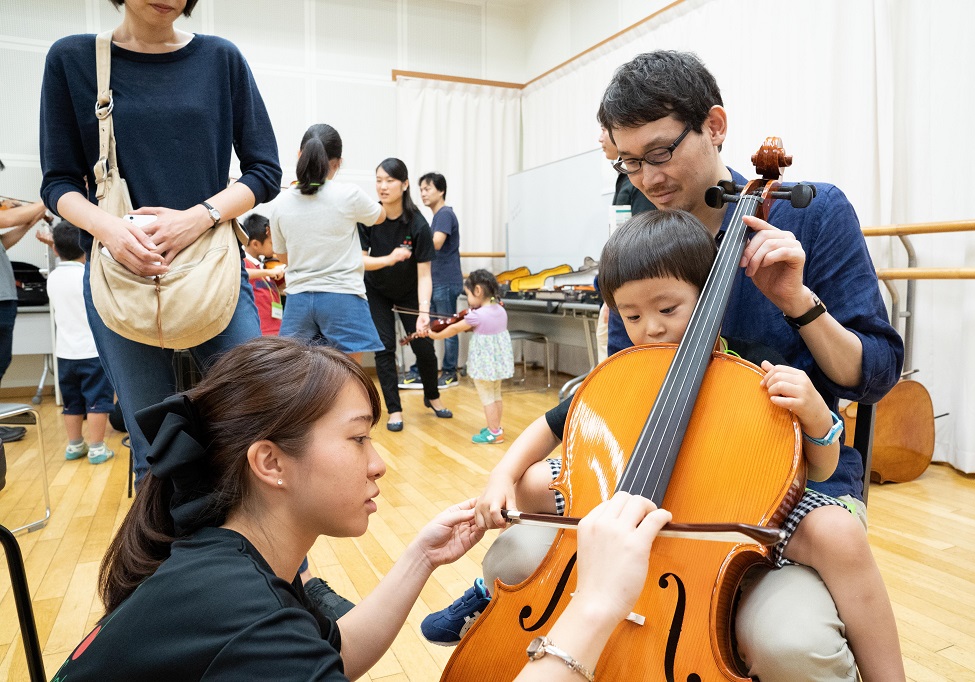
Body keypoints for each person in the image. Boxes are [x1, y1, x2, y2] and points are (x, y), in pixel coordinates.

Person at [422, 211, 905, 681]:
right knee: (529, 483)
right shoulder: (629, 370)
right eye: (632, 315)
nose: (650, 328)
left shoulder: (753, 364)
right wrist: (501, 475)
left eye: (667, 310)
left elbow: (820, 469)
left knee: (837, 532)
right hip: (639, 493)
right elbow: (551, 426)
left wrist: (816, 413)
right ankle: (494, 589)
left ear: (711, 294)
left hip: (739, 505)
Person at [51, 335, 673, 681]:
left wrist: (419, 559)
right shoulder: (248, 621)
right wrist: (593, 608)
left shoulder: (230, 562)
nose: (378, 463)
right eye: (356, 439)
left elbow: (331, 657)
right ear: (269, 462)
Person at [594, 50, 904, 681]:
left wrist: (797, 302)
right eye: (628, 161)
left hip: (799, 487)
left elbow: (874, 375)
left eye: (659, 153)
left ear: (715, 124)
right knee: (520, 554)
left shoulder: (811, 213)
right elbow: (624, 385)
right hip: (672, 482)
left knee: (792, 646)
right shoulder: (642, 243)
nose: (646, 179)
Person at [39, 0, 282, 480]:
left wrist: (199, 217)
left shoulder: (220, 59)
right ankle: (167, 555)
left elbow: (265, 170)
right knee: (155, 446)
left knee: (259, 421)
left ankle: (276, 557)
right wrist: (109, 229)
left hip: (212, 265)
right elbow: (58, 183)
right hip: (118, 270)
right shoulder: (72, 59)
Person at [269, 123, 390, 363]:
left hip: (299, 300)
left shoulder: (281, 203)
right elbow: (380, 216)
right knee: (348, 378)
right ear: (337, 163)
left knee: (296, 379)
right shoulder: (349, 195)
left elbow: (282, 258)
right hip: (343, 297)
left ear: (299, 156)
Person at [360, 158, 450, 432]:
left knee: (424, 346)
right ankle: (394, 409)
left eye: (389, 180)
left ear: (405, 184)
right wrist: (389, 258)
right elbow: (361, 261)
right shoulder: (368, 218)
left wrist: (424, 311)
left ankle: (432, 397)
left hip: (411, 291)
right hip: (377, 291)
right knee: (385, 348)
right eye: (379, 180)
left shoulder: (418, 225)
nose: (382, 187)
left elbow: (425, 273)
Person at [46, 220, 116, 465]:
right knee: (97, 401)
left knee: (72, 402)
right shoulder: (87, 277)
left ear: (55, 250)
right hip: (91, 351)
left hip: (65, 354)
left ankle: (74, 444)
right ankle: (97, 447)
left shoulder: (52, 278)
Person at [427, 270, 514, 444]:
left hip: (484, 365)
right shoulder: (500, 310)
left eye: (468, 294)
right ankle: (496, 427)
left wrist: (435, 335)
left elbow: (453, 329)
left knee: (487, 397)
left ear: (478, 291)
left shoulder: (477, 315)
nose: (468, 299)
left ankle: (493, 432)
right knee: (496, 394)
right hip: (498, 364)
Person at [595, 126, 656, 364]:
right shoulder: (625, 175)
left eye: (604, 130)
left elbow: (641, 243)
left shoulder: (642, 180)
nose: (599, 138)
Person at [0, 187, 48, 443]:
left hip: (5, 299)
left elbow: (3, 243)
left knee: (1, 362)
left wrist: (30, 222)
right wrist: (48, 199)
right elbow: (7, 219)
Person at [419, 172, 462, 388]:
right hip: (438, 280)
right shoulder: (437, 216)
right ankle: (436, 369)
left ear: (441, 190)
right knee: (438, 327)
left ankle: (450, 371)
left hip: (445, 280)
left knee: (447, 327)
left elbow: (435, 243)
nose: (423, 193)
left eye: (427, 189)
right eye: (421, 190)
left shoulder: (444, 214)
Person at [241, 213, 286, 336]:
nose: (275, 247)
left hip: (277, 330)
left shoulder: (263, 265)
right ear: (255, 244)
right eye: (271, 243)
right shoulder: (244, 263)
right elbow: (241, 274)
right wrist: (268, 272)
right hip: (260, 331)